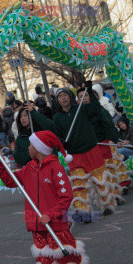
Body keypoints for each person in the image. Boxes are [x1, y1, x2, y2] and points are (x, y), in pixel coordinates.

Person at [0, 131, 89, 264]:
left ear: (39, 148)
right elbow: (10, 181)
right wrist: (0, 161)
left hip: (55, 226)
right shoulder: (28, 168)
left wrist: (51, 214)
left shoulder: (55, 168)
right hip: (37, 227)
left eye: (31, 145)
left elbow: (66, 196)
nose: (28, 147)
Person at [52, 85, 115, 218]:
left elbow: (96, 109)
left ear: (70, 97)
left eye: (65, 95)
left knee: (100, 179)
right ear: (57, 101)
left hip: (92, 150)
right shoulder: (57, 118)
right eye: (60, 97)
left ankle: (107, 204)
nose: (63, 98)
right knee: (79, 184)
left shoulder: (81, 108)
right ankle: (83, 211)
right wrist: (62, 142)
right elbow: (57, 135)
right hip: (74, 155)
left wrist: (90, 92)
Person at [77, 88, 125, 206]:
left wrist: (116, 139)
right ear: (78, 100)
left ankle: (114, 195)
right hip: (89, 148)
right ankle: (102, 198)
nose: (84, 98)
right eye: (81, 96)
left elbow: (108, 125)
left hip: (103, 144)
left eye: (86, 95)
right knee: (95, 175)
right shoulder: (77, 114)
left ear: (91, 97)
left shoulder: (100, 110)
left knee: (109, 171)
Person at [14, 103, 56, 168]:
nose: (22, 119)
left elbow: (50, 125)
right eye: (20, 117)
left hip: (48, 166)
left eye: (25, 115)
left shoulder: (42, 131)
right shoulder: (21, 137)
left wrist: (33, 112)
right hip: (33, 169)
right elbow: (18, 157)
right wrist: (32, 152)